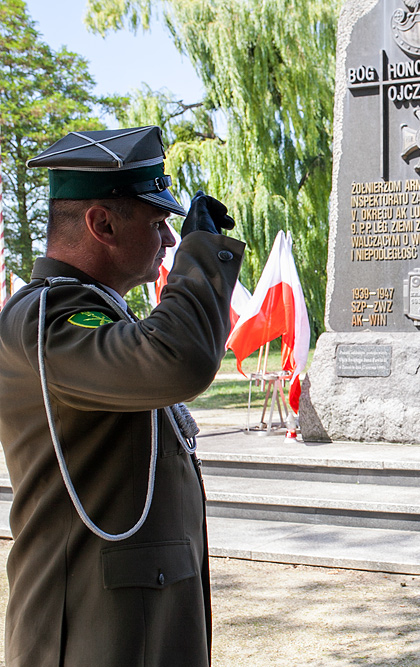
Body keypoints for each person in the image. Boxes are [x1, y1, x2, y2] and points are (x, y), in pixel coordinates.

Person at [0, 127, 243, 666]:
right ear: (102, 223)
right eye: (158, 223)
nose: (171, 240)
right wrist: (202, 256)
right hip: (89, 628)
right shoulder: (47, 317)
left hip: (130, 620)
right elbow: (179, 359)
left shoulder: (97, 313)